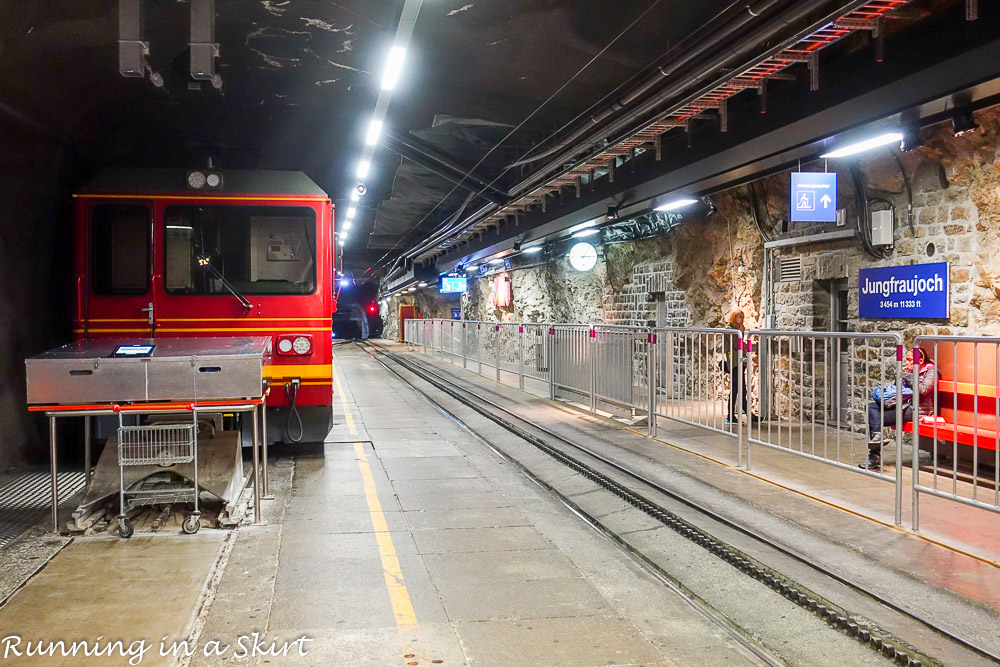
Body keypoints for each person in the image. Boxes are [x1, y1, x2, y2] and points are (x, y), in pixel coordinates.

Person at [861, 347, 939, 470]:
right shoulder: (908, 370)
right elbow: (898, 392)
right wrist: (899, 379)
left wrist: (907, 377)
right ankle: (877, 436)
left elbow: (923, 390)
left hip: (916, 410)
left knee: (876, 419)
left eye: (910, 360)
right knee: (871, 408)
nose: (907, 363)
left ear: (920, 360)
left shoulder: (931, 371)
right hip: (903, 405)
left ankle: (874, 456)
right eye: (906, 360)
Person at [724, 309, 747, 424]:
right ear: (734, 318)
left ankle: (746, 414)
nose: (742, 320)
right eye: (739, 317)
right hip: (734, 363)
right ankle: (732, 416)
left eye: (743, 317)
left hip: (740, 362)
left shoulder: (737, 330)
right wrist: (741, 333)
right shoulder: (731, 331)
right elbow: (736, 345)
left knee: (740, 389)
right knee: (738, 389)